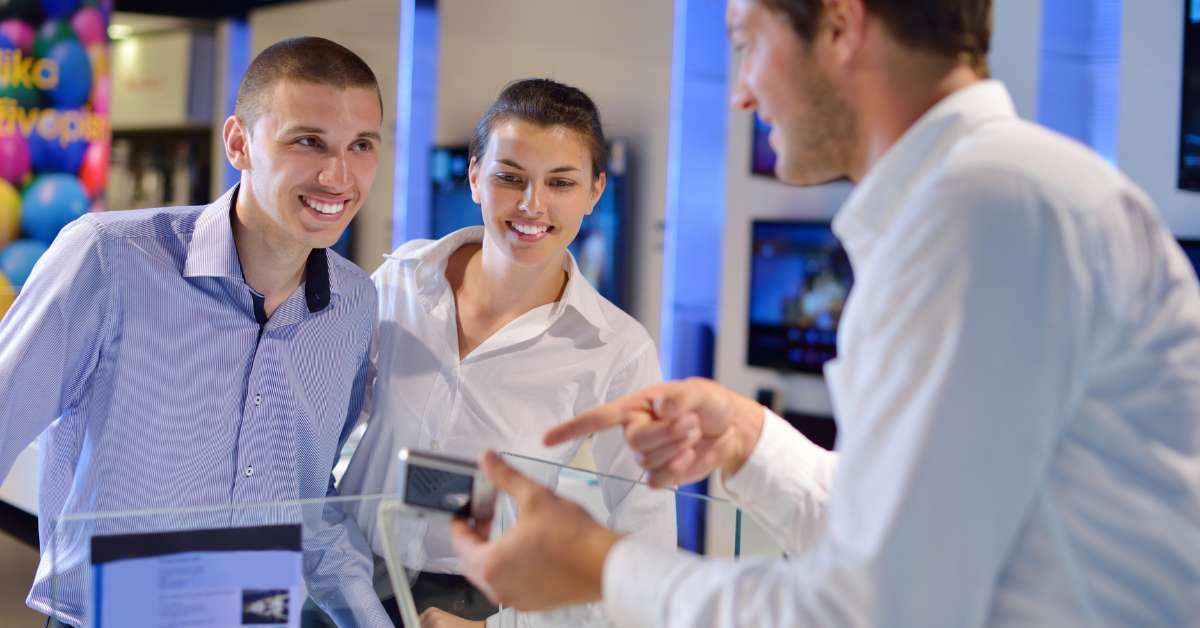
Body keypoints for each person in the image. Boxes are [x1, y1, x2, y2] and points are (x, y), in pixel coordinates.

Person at [449, 1, 1200, 626]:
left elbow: (872, 607)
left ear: (840, 26)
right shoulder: (977, 201)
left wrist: (598, 565)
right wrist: (749, 440)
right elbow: (915, 537)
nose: (741, 93)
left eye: (747, 44)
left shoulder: (985, 211)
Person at [0, 37, 389, 626]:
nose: (339, 175)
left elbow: (308, 504)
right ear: (239, 142)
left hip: (256, 616)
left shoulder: (355, 300)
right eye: (308, 141)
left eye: (361, 145)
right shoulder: (108, 258)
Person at [336, 78, 676, 627]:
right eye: (509, 178)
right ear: (474, 176)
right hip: (346, 581)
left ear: (594, 191)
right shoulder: (399, 282)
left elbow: (643, 543)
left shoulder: (616, 348)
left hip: (485, 603)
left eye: (561, 182)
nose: (531, 204)